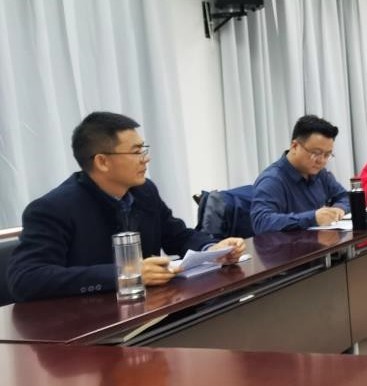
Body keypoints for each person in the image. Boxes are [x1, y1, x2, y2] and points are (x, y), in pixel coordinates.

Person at [6, 112, 244, 301]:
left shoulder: (144, 191)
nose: (146, 158)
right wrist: (126, 274)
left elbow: (177, 236)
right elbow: (26, 279)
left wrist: (213, 249)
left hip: (149, 310)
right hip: (86, 325)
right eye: (136, 152)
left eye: (144, 149)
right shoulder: (52, 209)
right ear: (102, 161)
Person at [251, 115, 350, 233]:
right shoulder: (272, 180)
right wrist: (312, 218)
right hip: (288, 244)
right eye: (316, 153)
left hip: (319, 241)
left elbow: (345, 197)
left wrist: (338, 209)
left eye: (327, 155)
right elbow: (261, 222)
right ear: (294, 146)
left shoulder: (320, 173)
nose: (322, 161)